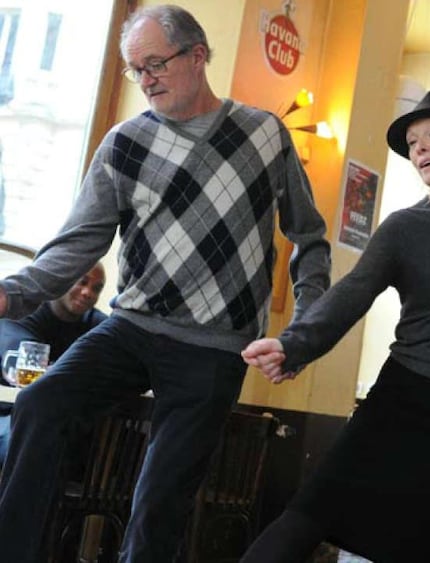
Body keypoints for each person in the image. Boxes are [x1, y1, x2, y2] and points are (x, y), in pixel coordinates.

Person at [0, 5, 331, 562]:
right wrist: (13, 292)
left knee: (160, 501)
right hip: (130, 329)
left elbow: (310, 237)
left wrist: (307, 331)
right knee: (39, 403)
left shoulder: (265, 134)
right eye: (135, 69)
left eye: (155, 64)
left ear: (197, 56)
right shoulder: (124, 144)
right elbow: (78, 244)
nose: (145, 79)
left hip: (215, 348)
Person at [239, 90, 430, 563]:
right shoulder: (403, 229)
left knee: (428, 544)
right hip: (406, 400)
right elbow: (352, 292)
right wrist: (293, 345)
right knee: (310, 514)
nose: (419, 148)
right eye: (413, 143)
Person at [0, 263, 108, 466]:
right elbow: (21, 353)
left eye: (96, 288)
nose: (87, 292)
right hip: (15, 414)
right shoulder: (26, 312)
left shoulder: (99, 324)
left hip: (63, 422)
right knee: (25, 439)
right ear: (64, 280)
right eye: (82, 282)